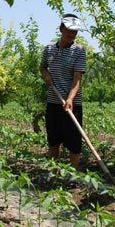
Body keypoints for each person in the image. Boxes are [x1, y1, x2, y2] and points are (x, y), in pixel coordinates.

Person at [39, 13, 86, 169]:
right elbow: (42, 66)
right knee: (54, 138)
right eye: (68, 32)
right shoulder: (49, 49)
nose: (71, 36)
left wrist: (70, 99)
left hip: (72, 103)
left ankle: (73, 173)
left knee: (73, 140)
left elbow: (77, 79)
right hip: (53, 101)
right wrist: (46, 75)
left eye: (74, 33)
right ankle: (54, 169)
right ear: (61, 29)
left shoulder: (79, 51)